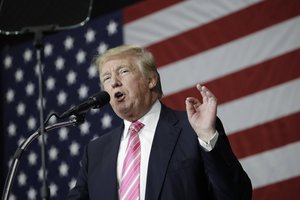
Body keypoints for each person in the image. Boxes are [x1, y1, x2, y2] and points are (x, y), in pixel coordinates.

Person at [67, 44, 252, 200]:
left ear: (151, 80)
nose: (114, 82)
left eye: (123, 71)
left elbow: (237, 195)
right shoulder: (96, 152)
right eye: (106, 78)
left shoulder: (192, 129)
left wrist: (207, 138)